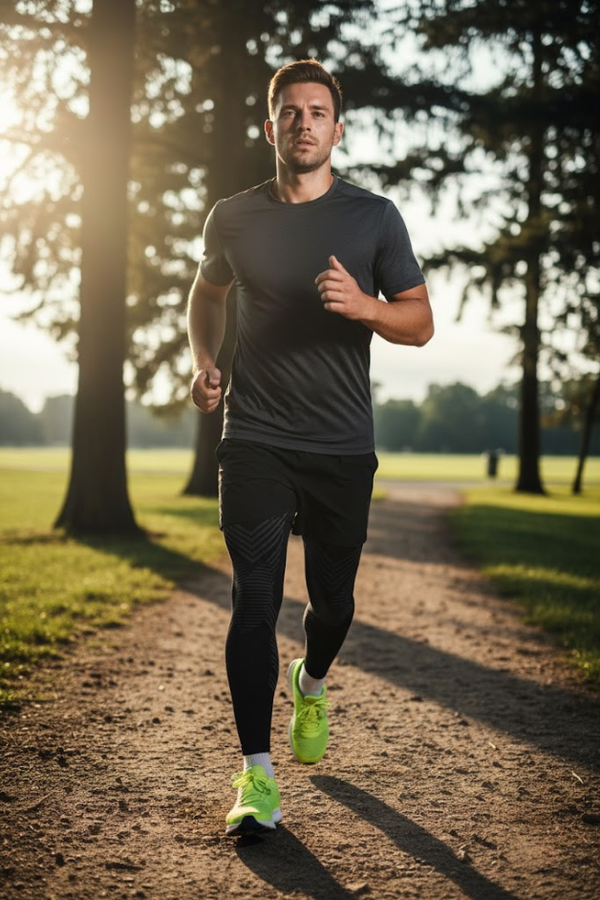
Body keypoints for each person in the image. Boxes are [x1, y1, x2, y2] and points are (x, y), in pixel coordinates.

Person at [187, 59, 433, 837]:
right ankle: (257, 778)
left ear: (337, 127)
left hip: (340, 445)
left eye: (317, 112)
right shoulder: (233, 216)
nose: (304, 123)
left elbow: (420, 322)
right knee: (254, 600)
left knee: (331, 605)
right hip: (255, 435)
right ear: (271, 128)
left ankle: (313, 677)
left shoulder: (375, 218)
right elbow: (208, 290)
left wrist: (364, 305)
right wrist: (204, 360)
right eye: (290, 112)